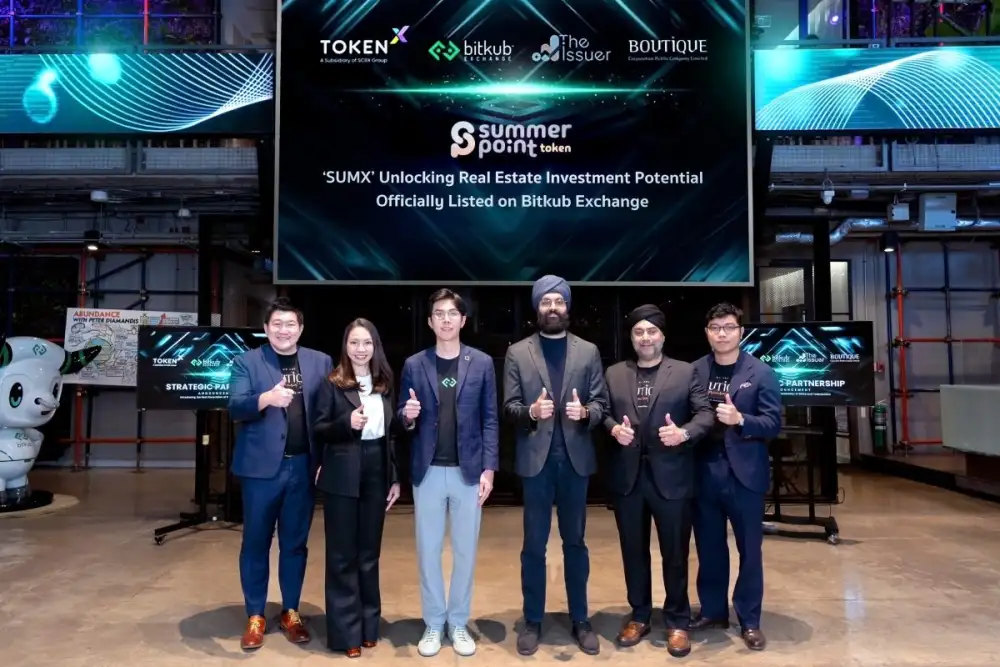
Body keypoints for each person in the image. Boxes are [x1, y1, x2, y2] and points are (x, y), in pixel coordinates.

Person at [502, 274, 609, 656]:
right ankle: (533, 619)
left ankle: (581, 619)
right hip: (536, 463)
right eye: (546, 301)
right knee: (534, 545)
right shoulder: (518, 353)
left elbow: (601, 404)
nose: (552, 307)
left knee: (575, 543)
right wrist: (531, 412)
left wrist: (587, 413)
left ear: (567, 307)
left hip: (575, 462)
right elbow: (509, 407)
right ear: (537, 308)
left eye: (558, 301)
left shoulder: (588, 351)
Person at [603, 304, 714, 658]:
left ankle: (678, 621)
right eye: (639, 332)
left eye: (651, 331)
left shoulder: (684, 371)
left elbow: (705, 414)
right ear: (631, 337)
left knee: (675, 553)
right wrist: (613, 428)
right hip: (628, 479)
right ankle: (639, 615)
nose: (645, 338)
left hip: (673, 478)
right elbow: (602, 412)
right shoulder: (614, 373)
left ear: (662, 336)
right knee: (633, 552)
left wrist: (683, 433)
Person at [397, 288, 499, 658]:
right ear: (430, 321)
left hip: (468, 472)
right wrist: (407, 416)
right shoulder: (415, 364)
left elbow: (490, 418)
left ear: (463, 320)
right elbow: (402, 415)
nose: (445, 319)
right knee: (428, 552)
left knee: (465, 553)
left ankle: (457, 622)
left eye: (451, 313)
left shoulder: (481, 363)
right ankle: (433, 622)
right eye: (438, 313)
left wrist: (489, 467)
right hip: (427, 471)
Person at [227, 297, 333, 651]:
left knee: (295, 544)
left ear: (300, 329)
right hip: (260, 470)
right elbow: (235, 406)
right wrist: (265, 399)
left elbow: (328, 410)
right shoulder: (247, 362)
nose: (283, 330)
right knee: (255, 542)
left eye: (290, 324)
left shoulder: (320, 362)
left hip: (303, 466)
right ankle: (255, 615)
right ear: (266, 328)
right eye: (277, 324)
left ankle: (291, 611)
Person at [690, 303, 782, 651]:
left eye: (729, 327)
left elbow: (773, 423)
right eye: (716, 328)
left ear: (741, 332)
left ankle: (749, 619)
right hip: (704, 472)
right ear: (707, 333)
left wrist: (740, 419)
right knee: (709, 547)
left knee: (749, 551)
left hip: (745, 474)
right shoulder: (695, 370)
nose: (722, 334)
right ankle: (713, 611)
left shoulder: (761, 372)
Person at [313, 318, 402, 658]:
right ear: (345, 347)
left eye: (366, 343)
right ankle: (345, 633)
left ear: (375, 347)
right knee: (342, 556)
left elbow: (390, 436)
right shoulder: (332, 384)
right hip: (342, 471)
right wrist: (345, 423)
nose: (360, 349)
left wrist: (394, 476)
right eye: (354, 343)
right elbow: (319, 428)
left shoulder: (384, 383)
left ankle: (368, 626)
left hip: (377, 468)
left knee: (369, 553)